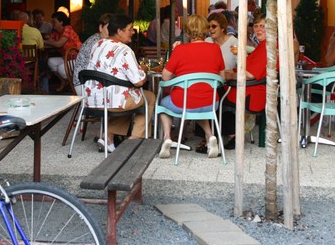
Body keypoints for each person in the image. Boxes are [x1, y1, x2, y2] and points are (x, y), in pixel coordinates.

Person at [83, 14, 155, 152]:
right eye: (130, 29)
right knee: (149, 97)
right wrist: (144, 69)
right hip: (113, 101)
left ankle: (108, 138)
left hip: (92, 99)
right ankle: (134, 140)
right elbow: (139, 81)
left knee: (127, 95)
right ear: (119, 31)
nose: (133, 32)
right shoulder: (124, 50)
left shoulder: (97, 45)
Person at [157, 14, 225, 159]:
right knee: (198, 106)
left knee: (162, 105)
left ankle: (167, 137)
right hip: (211, 103)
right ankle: (210, 135)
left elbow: (165, 77)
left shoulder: (180, 50)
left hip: (183, 102)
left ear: (187, 32)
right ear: (206, 30)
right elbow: (222, 78)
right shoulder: (216, 49)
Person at [222, 11, 268, 150]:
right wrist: (232, 72)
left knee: (210, 97)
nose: (258, 29)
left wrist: (229, 76)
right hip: (249, 89)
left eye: (262, 26)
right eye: (256, 26)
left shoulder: (267, 47)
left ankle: (228, 135)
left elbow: (249, 74)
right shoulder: (263, 45)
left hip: (251, 94)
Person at [72, 13, 111, 95]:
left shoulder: (102, 40)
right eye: (109, 28)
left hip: (89, 79)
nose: (112, 32)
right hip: (83, 84)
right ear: (100, 28)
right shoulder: (97, 43)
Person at [45, 11, 81, 92]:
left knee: (61, 68)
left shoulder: (68, 29)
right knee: (51, 61)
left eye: (54, 22)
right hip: (66, 58)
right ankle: (64, 81)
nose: (52, 24)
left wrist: (44, 42)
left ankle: (74, 85)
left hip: (76, 58)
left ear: (61, 22)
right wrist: (42, 44)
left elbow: (58, 44)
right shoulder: (55, 33)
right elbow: (51, 43)